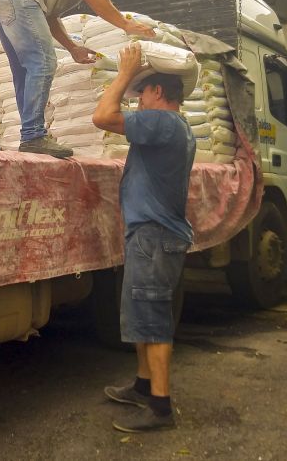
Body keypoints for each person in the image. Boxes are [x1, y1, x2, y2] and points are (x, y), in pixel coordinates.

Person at [92, 43, 197, 432]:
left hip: (154, 237)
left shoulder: (164, 123)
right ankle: (142, 385)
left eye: (141, 94)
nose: (136, 101)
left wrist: (122, 75)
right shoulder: (175, 128)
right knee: (140, 312)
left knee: (151, 318)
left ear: (157, 93)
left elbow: (102, 116)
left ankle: (160, 407)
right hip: (150, 235)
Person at [0, 0, 155, 159]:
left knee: (25, 70)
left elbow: (49, 16)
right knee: (44, 62)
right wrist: (125, 24)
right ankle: (32, 136)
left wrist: (72, 48)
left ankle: (30, 134)